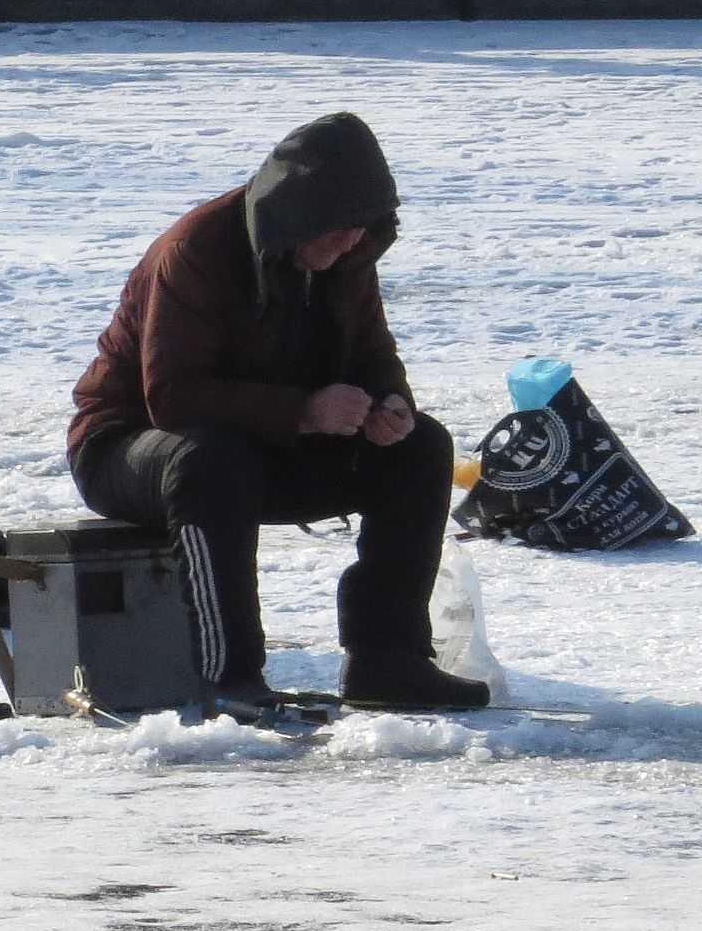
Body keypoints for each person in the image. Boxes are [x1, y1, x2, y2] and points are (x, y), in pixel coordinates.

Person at [67, 111, 488, 709]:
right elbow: (172, 398)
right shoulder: (194, 250)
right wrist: (305, 412)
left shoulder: (349, 259)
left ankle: (387, 660)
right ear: (296, 214)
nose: (347, 245)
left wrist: (392, 407)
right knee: (210, 459)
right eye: (336, 231)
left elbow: (375, 356)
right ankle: (228, 673)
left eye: (360, 233)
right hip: (130, 450)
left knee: (421, 448)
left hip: (263, 448)